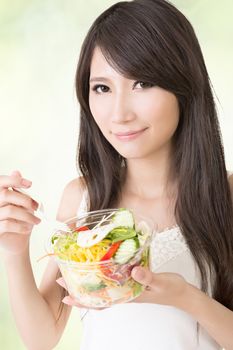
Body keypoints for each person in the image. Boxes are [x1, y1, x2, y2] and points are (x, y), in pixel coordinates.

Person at [0, 0, 233, 349]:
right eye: (102, 88)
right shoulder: (84, 197)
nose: (119, 114)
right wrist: (13, 249)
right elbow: (42, 336)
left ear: (184, 85)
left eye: (142, 83)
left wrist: (184, 297)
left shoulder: (226, 195)